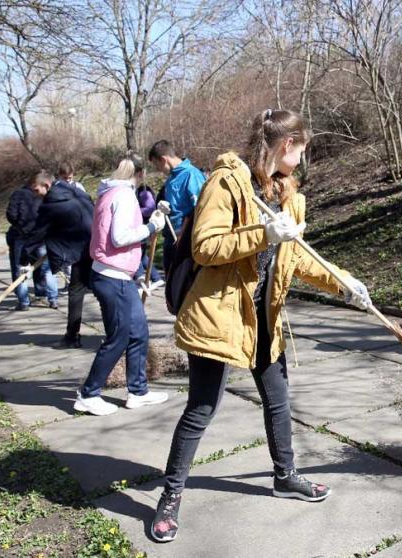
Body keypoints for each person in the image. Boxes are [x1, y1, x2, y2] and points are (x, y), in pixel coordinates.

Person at [150, 109, 372, 543]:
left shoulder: (288, 193)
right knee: (201, 409)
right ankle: (171, 496)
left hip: (264, 316)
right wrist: (263, 236)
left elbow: (298, 255)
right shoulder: (227, 181)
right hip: (219, 316)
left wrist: (343, 282)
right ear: (286, 145)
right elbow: (207, 246)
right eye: (302, 150)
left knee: (278, 401)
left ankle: (285, 475)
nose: (303, 160)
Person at [73, 153, 170, 416]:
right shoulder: (124, 195)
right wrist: (151, 228)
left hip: (119, 275)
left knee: (138, 332)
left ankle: (137, 391)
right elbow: (119, 237)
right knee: (119, 337)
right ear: (140, 175)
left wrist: (136, 272)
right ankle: (88, 394)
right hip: (111, 277)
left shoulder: (108, 192)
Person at [23, 165, 96, 348]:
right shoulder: (76, 192)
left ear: (46, 185)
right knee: (103, 290)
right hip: (96, 246)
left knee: (77, 292)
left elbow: (37, 234)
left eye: (36, 190)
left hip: (79, 251)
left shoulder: (51, 205)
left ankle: (72, 337)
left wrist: (23, 259)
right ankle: (117, 332)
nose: (35, 194)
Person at [146, 140, 205, 273]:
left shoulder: (191, 175)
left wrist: (183, 236)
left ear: (163, 159)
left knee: (182, 288)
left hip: (185, 242)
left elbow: (200, 209)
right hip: (170, 239)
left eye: (157, 165)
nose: (158, 170)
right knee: (171, 287)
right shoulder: (171, 178)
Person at [6, 172, 59, 311]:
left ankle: (24, 301)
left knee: (21, 269)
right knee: (46, 269)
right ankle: (51, 298)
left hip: (23, 237)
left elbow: (11, 215)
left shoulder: (18, 194)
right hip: (40, 237)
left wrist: (20, 225)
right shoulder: (45, 195)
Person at [133, 181, 164, 290]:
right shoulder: (138, 191)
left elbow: (150, 209)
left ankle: (141, 279)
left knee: (136, 253)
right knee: (142, 256)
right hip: (140, 227)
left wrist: (134, 211)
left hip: (143, 227)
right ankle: (156, 277)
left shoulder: (144, 192)